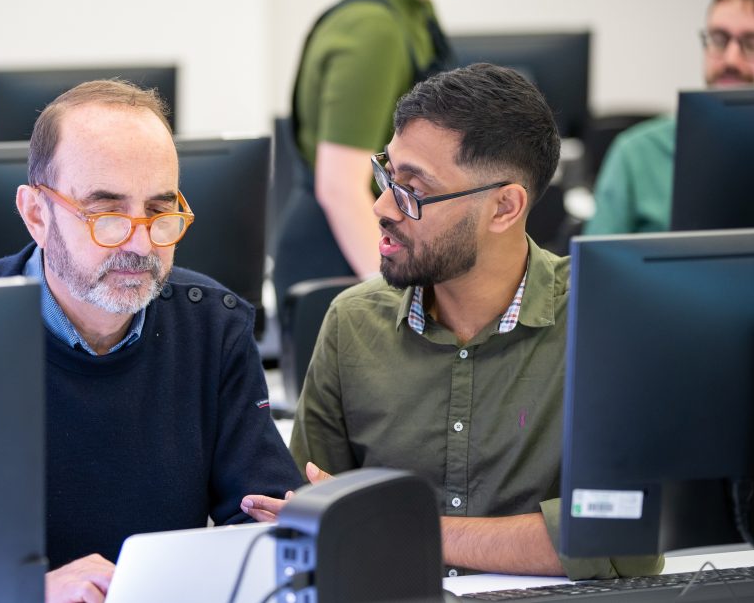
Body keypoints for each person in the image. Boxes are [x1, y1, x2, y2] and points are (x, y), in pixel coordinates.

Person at [243, 64, 662, 580]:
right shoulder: (353, 322)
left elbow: (620, 544)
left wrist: (397, 529)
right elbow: (306, 528)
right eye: (387, 176)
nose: (381, 206)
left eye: (413, 189)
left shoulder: (603, 321)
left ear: (505, 207)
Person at [0, 79, 301, 603]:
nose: (141, 244)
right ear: (36, 215)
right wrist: (21, 590)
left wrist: (305, 521)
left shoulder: (213, 326)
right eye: (108, 214)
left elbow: (261, 519)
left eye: (160, 212)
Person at [273, 0, 493, 317]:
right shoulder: (372, 29)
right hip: (342, 259)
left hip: (379, 246)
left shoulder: (412, 10)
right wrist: (396, 299)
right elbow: (340, 188)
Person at [586, 0, 754, 235]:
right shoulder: (637, 153)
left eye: (753, 43)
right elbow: (596, 271)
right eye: (719, 39)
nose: (731, 59)